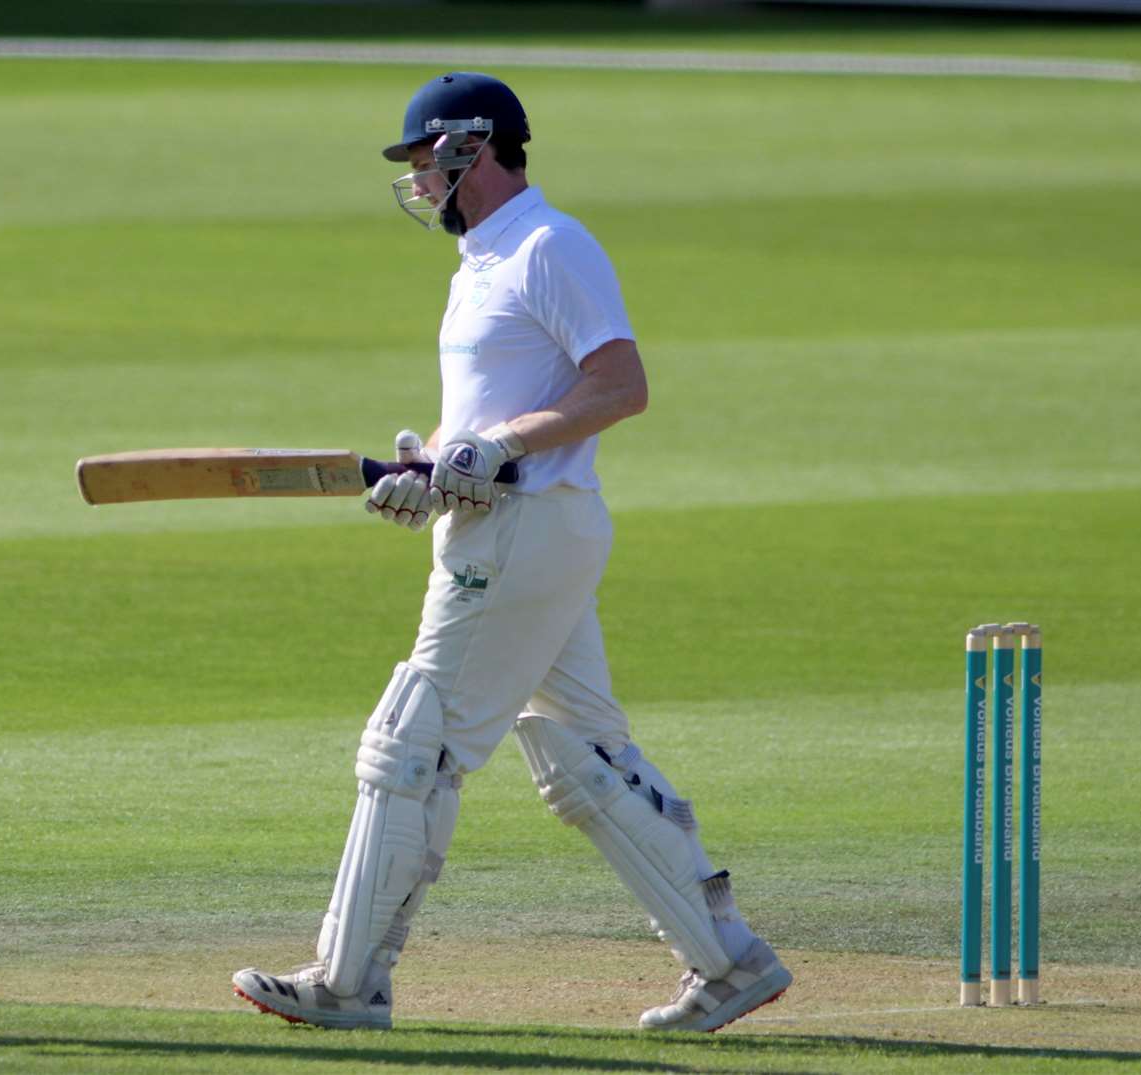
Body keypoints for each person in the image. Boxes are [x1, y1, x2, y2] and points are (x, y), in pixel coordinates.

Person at [231, 72, 791, 1033]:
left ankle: (348, 980)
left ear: (468, 148)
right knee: (583, 752)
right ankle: (730, 961)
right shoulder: (481, 263)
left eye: (421, 161)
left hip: (530, 528)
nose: (414, 182)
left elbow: (620, 384)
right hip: (521, 524)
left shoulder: (549, 245)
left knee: (414, 741)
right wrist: (434, 468)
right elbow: (486, 429)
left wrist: (499, 451)